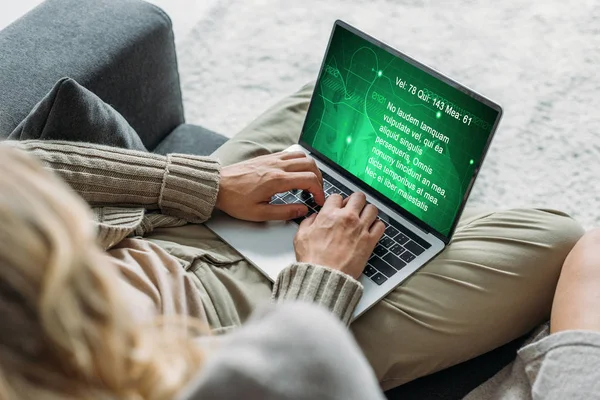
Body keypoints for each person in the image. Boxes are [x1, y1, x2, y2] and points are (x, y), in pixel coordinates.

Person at [0, 83, 590, 399]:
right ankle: (402, 233)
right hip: (250, 321)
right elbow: (282, 378)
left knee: (337, 107)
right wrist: (324, 275)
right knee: (556, 236)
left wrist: (211, 183)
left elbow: (19, 162)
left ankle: (397, 222)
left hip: (161, 230)